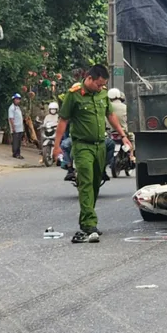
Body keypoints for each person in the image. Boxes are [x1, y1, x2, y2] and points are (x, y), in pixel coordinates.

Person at [53, 64, 131, 243]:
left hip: (100, 145)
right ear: (89, 78)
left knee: (96, 182)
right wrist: (56, 146)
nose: (101, 88)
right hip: (82, 146)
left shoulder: (102, 94)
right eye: (98, 84)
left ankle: (86, 219)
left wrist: (123, 136)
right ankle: (89, 223)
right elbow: (63, 120)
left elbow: (110, 116)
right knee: (86, 181)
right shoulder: (74, 94)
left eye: (103, 85)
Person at [8, 93, 25, 159]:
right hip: (15, 128)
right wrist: (13, 127)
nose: (18, 101)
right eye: (17, 99)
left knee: (19, 142)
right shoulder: (11, 108)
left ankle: (18, 153)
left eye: (19, 99)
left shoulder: (18, 108)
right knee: (15, 142)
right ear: (14, 100)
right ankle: (15, 154)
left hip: (20, 128)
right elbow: (11, 118)